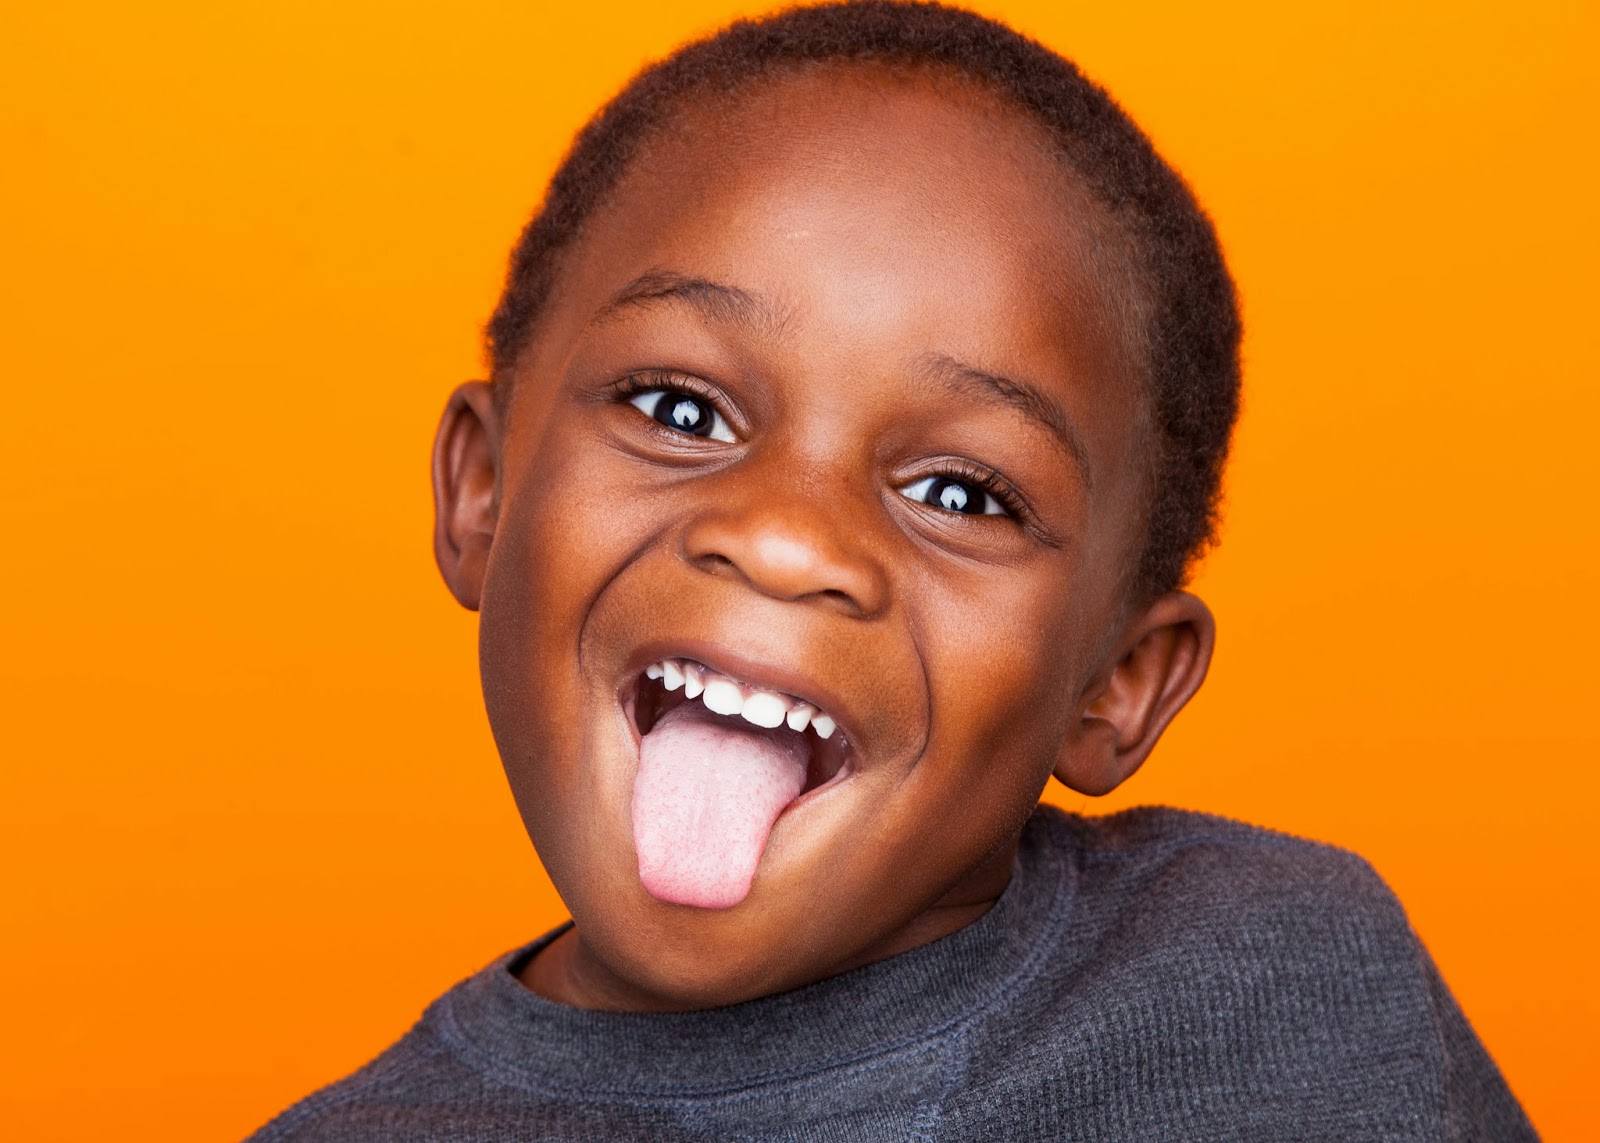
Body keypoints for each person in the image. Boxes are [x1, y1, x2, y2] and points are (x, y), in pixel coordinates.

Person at [247, 2, 1535, 1138]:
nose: (787, 539)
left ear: (1120, 683)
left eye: (959, 495)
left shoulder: (1295, 976)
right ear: (483, 490)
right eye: (682, 411)